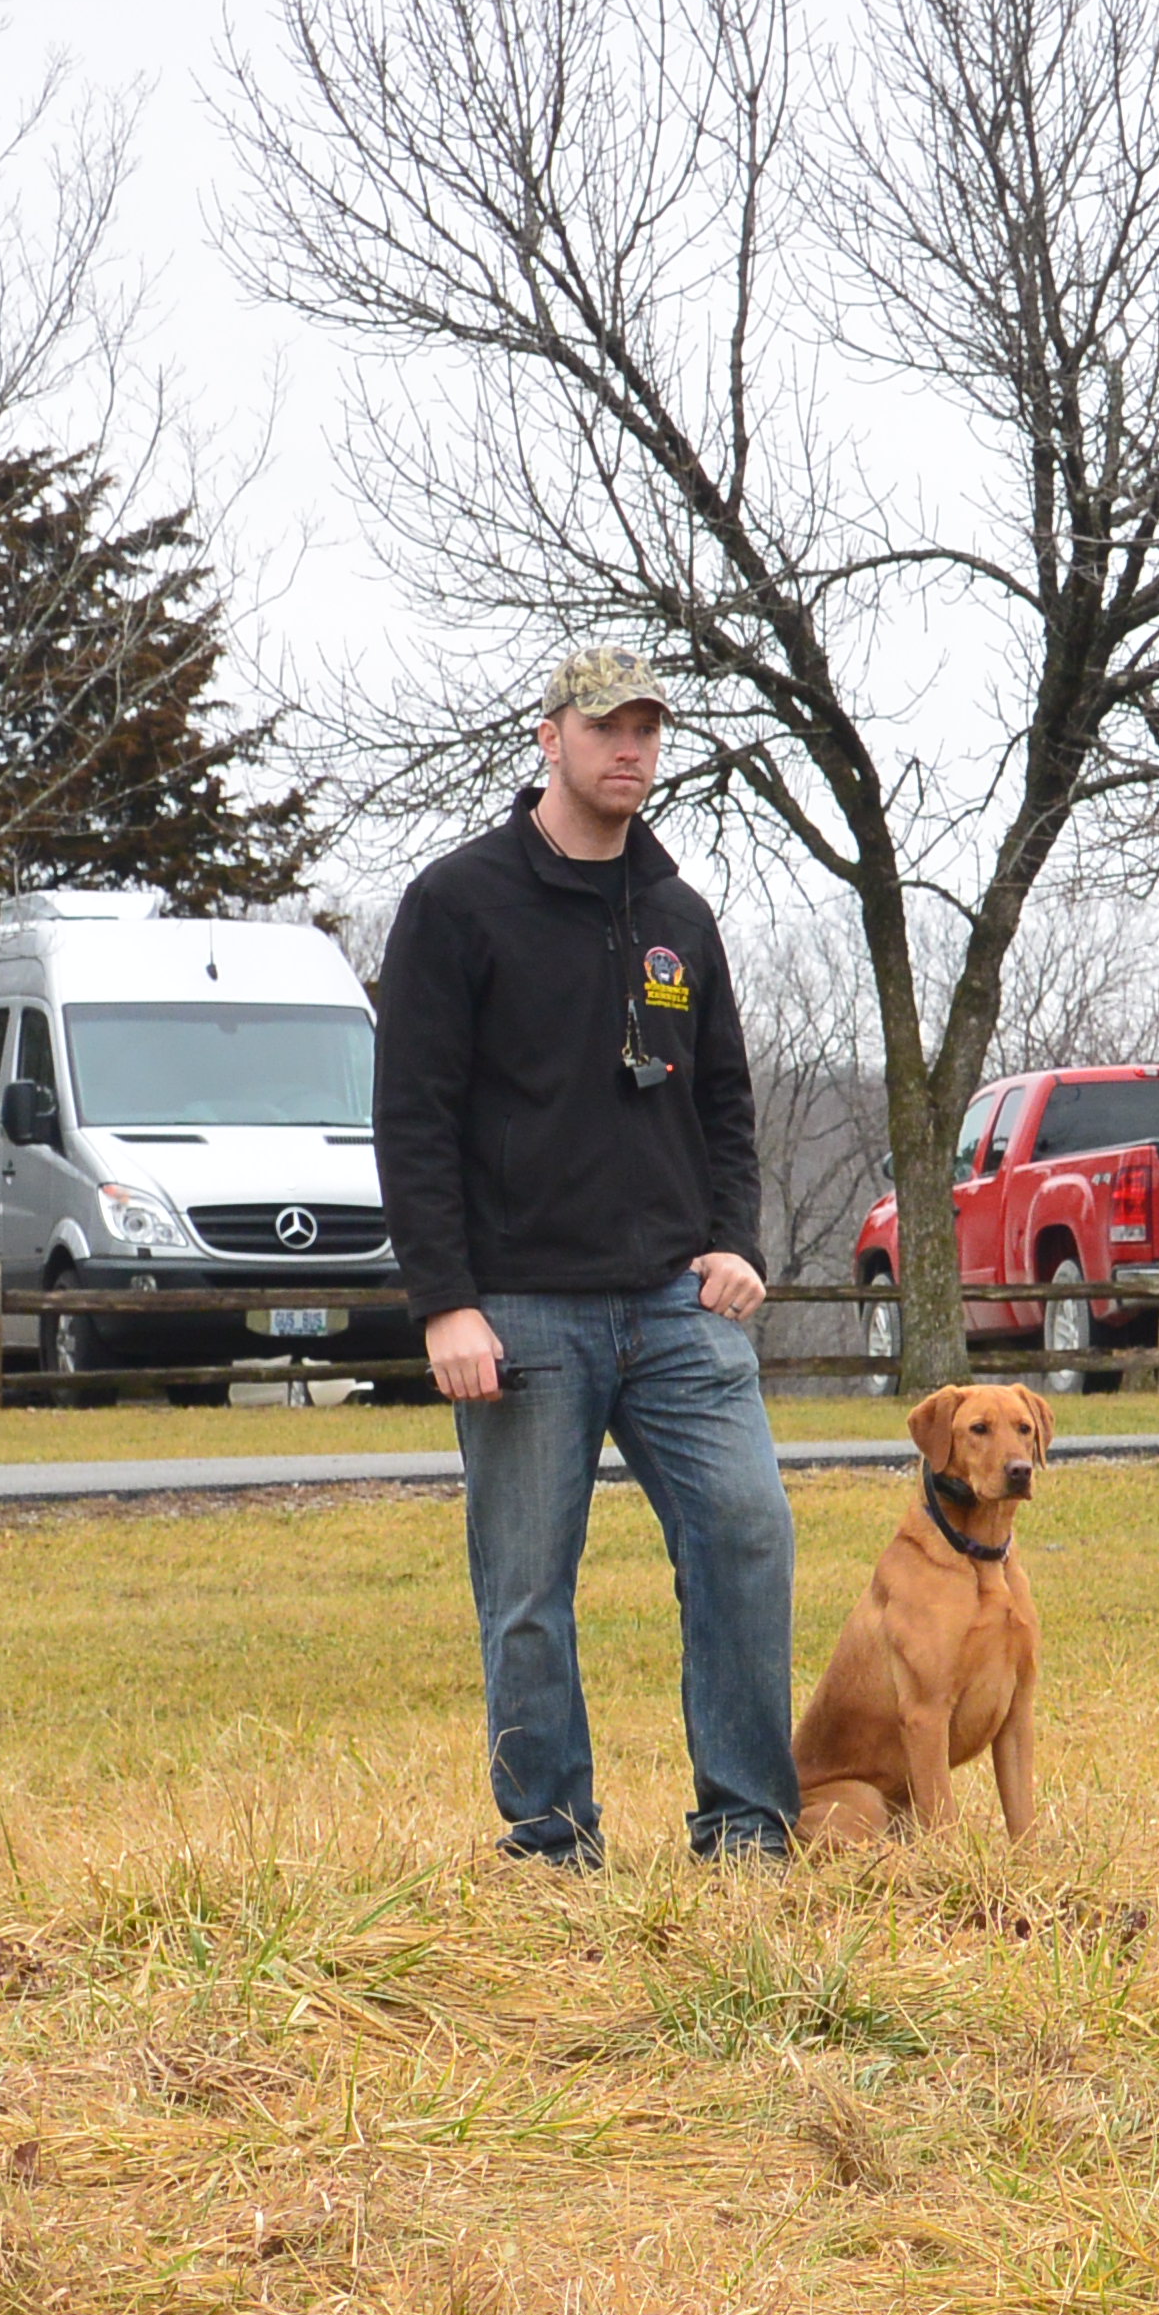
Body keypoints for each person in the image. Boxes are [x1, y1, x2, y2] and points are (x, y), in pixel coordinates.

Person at [374, 647, 798, 1863]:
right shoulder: (458, 905)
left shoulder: (678, 916)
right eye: (606, 725)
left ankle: (749, 1829)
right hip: (520, 1313)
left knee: (747, 1534)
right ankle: (553, 1840)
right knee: (525, 1598)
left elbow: (725, 1101)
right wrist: (445, 1304)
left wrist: (736, 1244)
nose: (632, 748)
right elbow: (413, 1117)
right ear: (549, 739)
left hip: (677, 1306)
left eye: (649, 728)